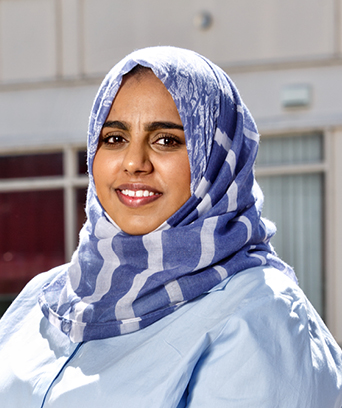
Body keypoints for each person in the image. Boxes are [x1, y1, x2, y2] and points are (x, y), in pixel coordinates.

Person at [0, 46, 341, 407]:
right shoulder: (49, 295)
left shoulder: (259, 312)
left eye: (167, 140)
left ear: (216, 161)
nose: (134, 162)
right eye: (114, 138)